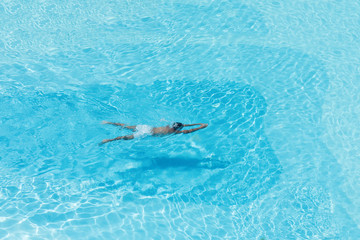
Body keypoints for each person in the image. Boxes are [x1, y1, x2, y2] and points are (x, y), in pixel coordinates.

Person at [100, 121, 208, 145]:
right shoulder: (174, 132)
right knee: (126, 137)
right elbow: (188, 130)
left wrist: (197, 123)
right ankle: (109, 140)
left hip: (147, 127)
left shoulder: (169, 125)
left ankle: (109, 122)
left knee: (126, 126)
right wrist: (201, 126)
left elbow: (183, 125)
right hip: (146, 133)